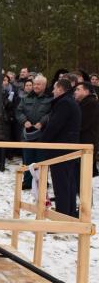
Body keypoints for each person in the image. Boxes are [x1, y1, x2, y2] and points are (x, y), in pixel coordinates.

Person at [41, 79, 81, 217]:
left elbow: (54, 126)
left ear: (60, 89)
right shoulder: (70, 101)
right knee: (68, 182)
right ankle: (69, 213)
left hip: (61, 149)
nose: (52, 91)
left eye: (54, 88)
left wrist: (43, 140)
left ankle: (62, 215)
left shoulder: (64, 103)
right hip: (67, 149)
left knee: (62, 184)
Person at [15, 75, 52, 189]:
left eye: (38, 84)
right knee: (28, 159)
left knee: (42, 159)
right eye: (35, 84)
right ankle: (27, 182)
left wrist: (42, 122)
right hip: (28, 134)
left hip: (43, 134)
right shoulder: (25, 98)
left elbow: (51, 113)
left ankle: (41, 181)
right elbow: (18, 111)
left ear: (44, 86)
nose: (35, 86)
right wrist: (24, 121)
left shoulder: (50, 98)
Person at [74, 82, 99, 177]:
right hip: (83, 142)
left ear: (86, 91)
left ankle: (85, 192)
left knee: (84, 175)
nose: (75, 92)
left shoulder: (91, 103)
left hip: (87, 143)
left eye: (78, 89)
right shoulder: (83, 103)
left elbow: (84, 123)